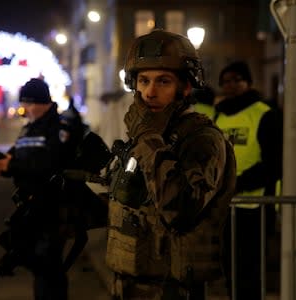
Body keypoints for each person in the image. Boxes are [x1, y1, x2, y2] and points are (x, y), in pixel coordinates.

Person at [104, 29, 237, 300]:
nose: (150, 92)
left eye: (163, 81)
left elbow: (181, 209)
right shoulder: (147, 137)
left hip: (173, 289)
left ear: (185, 87)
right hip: (130, 284)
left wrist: (147, 138)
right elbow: (131, 203)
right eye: (143, 81)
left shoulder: (202, 140)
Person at [0, 78, 71, 300]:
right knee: (37, 262)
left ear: (43, 102)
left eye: (30, 103)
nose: (27, 108)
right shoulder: (29, 129)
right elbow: (18, 156)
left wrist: (11, 165)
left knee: (47, 263)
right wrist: (4, 165)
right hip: (29, 205)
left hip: (51, 205)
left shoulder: (58, 128)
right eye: (24, 103)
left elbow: (50, 164)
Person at [215, 60, 283, 300]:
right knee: (229, 268)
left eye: (237, 80)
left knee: (251, 272)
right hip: (226, 206)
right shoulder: (218, 115)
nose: (231, 85)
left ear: (249, 82)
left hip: (257, 206)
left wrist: (237, 183)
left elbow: (274, 164)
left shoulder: (264, 114)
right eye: (225, 81)